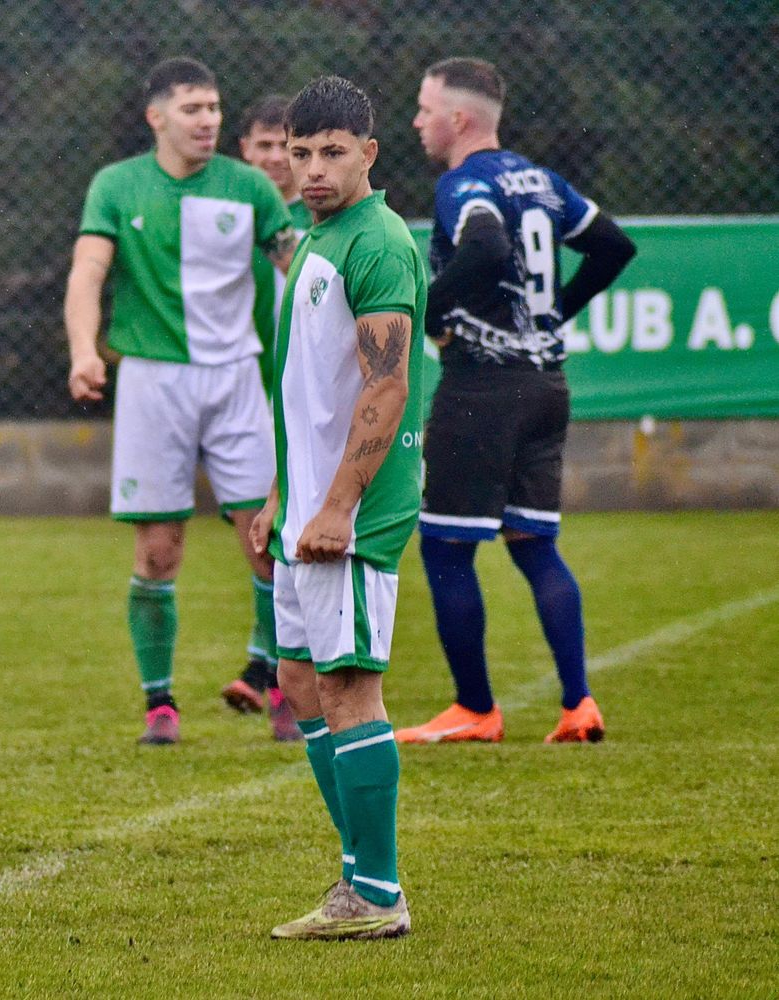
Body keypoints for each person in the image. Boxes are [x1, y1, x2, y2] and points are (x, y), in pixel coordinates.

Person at [396, 58, 637, 745]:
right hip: (546, 385)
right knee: (534, 544)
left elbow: (486, 246)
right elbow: (614, 246)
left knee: (445, 547)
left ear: (459, 119)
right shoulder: (541, 180)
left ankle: (475, 709)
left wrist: (419, 311)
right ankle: (578, 703)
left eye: (424, 108)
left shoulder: (462, 183)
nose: (418, 121)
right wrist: (557, 313)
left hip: (482, 388)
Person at [64, 57, 297, 746]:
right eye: (193, 108)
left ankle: (284, 684)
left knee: (268, 542)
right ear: (156, 117)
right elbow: (87, 272)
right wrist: (84, 348)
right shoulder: (117, 184)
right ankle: (159, 705)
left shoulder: (250, 188)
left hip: (235, 379)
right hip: (152, 381)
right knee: (159, 551)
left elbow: (300, 267)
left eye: (215, 108)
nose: (209, 121)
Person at [251, 75, 425, 940]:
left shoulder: (378, 242)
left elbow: (384, 387)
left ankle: (378, 894)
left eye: (332, 153)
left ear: (369, 153)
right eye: (301, 152)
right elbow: (305, 392)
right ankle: (357, 882)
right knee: (298, 682)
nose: (313, 169)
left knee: (351, 688)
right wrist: (284, 496)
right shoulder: (318, 238)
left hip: (351, 517)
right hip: (306, 509)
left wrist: (335, 507)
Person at [220, 93, 315, 741]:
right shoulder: (235, 228)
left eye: (289, 146)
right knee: (260, 533)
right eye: (264, 147)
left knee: (293, 540)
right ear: (243, 154)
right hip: (248, 401)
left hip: (310, 408)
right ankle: (272, 666)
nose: (276, 159)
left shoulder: (320, 226)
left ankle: (275, 668)